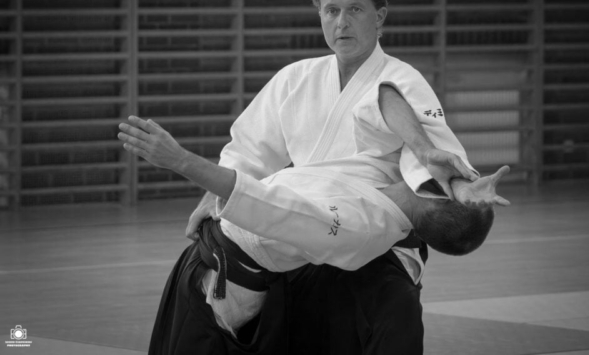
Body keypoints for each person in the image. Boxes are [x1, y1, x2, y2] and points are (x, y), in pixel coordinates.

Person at [128, 0, 510, 355]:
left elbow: (434, 155)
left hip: (374, 242)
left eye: (354, 9)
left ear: (379, 16)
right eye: (331, 10)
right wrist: (214, 194)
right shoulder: (296, 78)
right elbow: (249, 150)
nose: (341, 22)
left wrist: (459, 186)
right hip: (296, 231)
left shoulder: (403, 80)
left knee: (390, 313)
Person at [118, 111, 508, 354]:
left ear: (437, 197)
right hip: (216, 255)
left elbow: (265, 206)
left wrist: (180, 160)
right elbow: (384, 103)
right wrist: (473, 188)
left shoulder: (358, 226)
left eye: (454, 181)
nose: (451, 170)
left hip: (218, 290)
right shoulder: (387, 172)